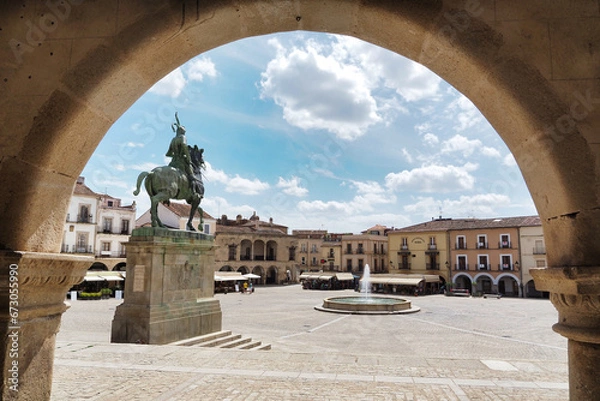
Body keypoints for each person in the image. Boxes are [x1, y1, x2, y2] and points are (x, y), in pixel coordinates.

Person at [166, 112, 201, 195]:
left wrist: (175, 155)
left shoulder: (173, 140)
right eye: (184, 132)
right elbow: (185, 147)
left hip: (172, 163)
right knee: (192, 176)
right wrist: (188, 159)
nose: (185, 133)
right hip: (181, 162)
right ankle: (194, 192)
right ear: (182, 132)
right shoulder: (183, 138)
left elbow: (168, 154)